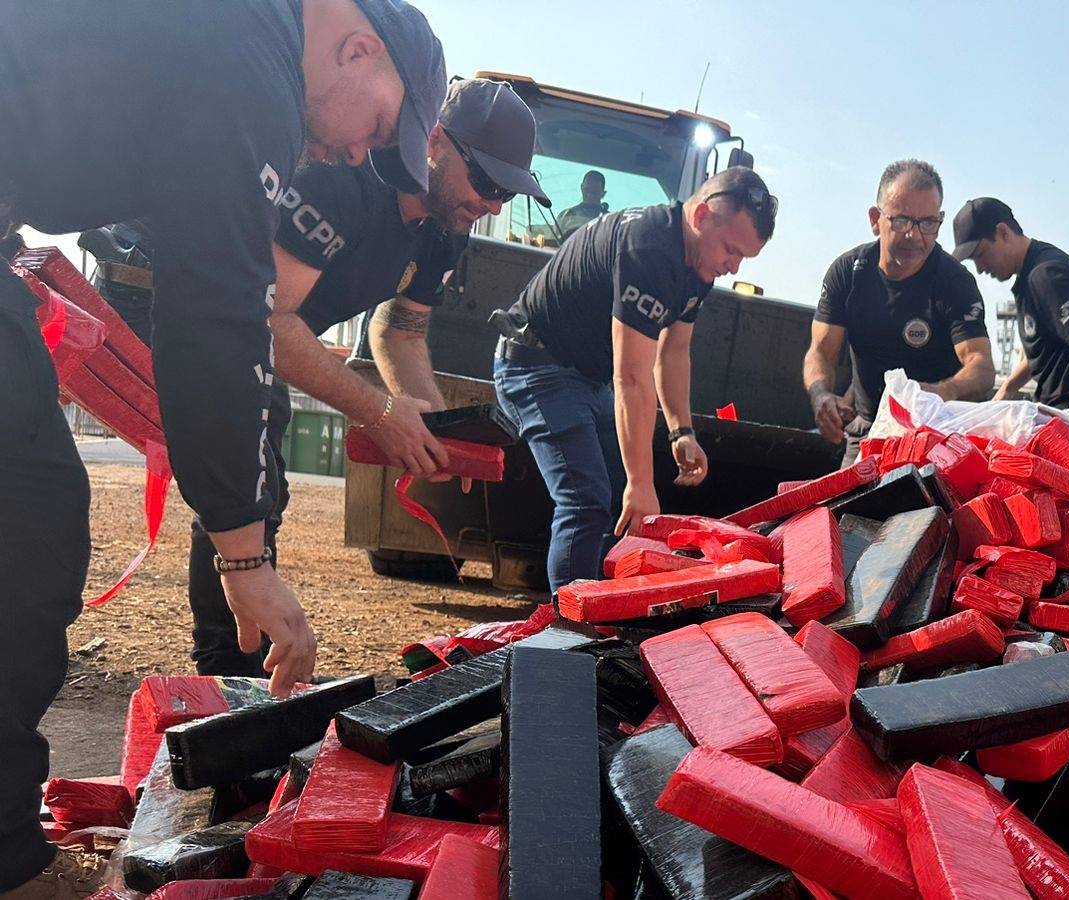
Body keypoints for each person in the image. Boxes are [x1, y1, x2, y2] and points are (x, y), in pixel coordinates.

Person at [0, 0, 444, 893]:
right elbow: (215, 311)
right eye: (380, 131)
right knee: (30, 520)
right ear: (357, 49)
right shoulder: (254, 60)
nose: (363, 155)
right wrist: (245, 555)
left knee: (32, 510)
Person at [184, 77, 547, 677]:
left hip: (265, 324)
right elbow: (265, 317)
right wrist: (379, 413)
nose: (492, 206)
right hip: (203, 306)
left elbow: (400, 330)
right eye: (485, 181)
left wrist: (436, 421)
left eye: (507, 194)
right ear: (433, 141)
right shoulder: (345, 182)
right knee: (251, 475)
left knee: (266, 486)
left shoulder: (443, 232)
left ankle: (234, 667)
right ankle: (228, 671)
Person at [491, 167, 776, 590]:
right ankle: (568, 635)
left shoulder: (697, 265)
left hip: (589, 376)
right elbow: (631, 378)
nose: (732, 267)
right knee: (587, 501)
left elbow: (674, 352)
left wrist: (682, 431)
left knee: (620, 494)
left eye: (742, 258)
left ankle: (602, 607)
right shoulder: (649, 248)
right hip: (536, 365)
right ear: (700, 217)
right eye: (731, 250)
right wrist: (642, 483)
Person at [802, 161, 994, 460]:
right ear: (875, 219)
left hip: (936, 435)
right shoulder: (848, 273)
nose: (914, 236)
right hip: (867, 433)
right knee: (846, 507)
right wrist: (821, 396)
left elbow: (981, 367)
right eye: (902, 220)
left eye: (928, 223)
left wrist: (939, 392)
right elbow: (821, 352)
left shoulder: (954, 282)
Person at [948, 197, 1069, 439]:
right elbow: (1043, 351)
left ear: (1003, 232)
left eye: (981, 254)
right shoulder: (1030, 277)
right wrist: (1009, 387)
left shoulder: (1047, 275)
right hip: (1057, 418)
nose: (980, 268)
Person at [558, 170, 610, 236]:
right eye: (587, 189)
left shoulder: (609, 221)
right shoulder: (566, 216)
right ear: (581, 188)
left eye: (594, 191)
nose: (589, 195)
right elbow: (553, 244)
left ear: (603, 193)